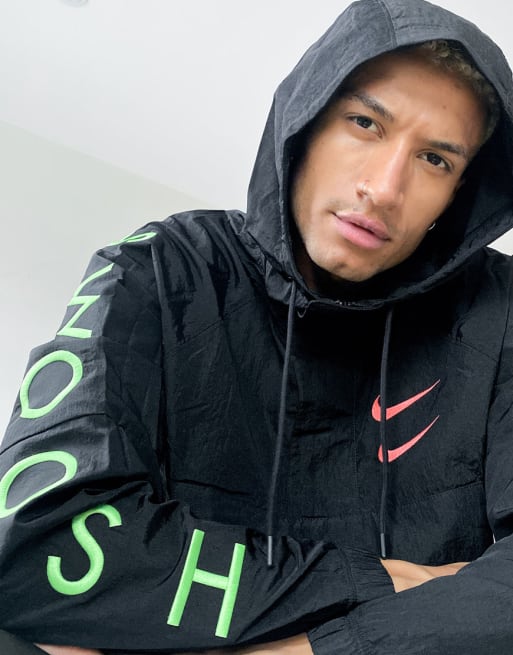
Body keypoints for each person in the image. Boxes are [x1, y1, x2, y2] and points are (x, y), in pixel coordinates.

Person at [1, 0, 513, 653]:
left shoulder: (497, 310)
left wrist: (308, 649)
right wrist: (373, 579)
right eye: (364, 123)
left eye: (435, 160)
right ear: (305, 124)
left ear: (459, 194)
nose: (385, 188)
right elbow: (40, 544)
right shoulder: (160, 268)